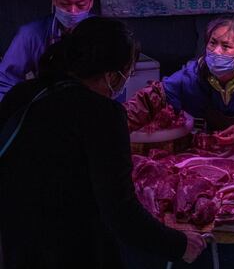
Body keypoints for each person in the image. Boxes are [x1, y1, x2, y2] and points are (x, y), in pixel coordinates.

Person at [0, 17, 206, 269]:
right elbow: (120, 211)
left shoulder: (24, 93)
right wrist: (179, 245)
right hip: (73, 249)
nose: (126, 79)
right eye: (128, 71)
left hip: (18, 242)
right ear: (112, 74)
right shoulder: (102, 114)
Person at [125, 15, 234, 148]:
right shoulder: (193, 75)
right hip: (218, 152)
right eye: (213, 43)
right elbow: (152, 98)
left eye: (226, 46)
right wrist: (117, 123)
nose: (216, 51)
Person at [0, 0, 95, 101]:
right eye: (65, 3)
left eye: (80, 4)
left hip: (91, 106)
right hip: (47, 106)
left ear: (91, 2)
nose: (72, 11)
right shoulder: (31, 34)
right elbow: (5, 81)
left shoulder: (104, 35)